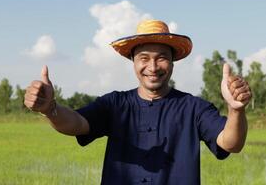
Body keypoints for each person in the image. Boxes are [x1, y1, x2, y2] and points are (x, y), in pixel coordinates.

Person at [24, 19, 252, 184]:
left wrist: (235, 109)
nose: (152, 68)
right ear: (133, 61)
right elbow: (76, 124)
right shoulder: (115, 104)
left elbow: (230, 143)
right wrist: (50, 109)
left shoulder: (193, 108)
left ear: (173, 63)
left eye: (161, 58)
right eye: (144, 58)